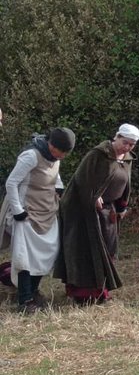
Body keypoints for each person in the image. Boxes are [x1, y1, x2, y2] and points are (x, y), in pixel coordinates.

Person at [55, 123, 139, 304]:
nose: (128, 147)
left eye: (132, 145)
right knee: (85, 251)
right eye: (125, 142)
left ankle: (101, 291)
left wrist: (122, 206)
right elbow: (81, 180)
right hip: (83, 213)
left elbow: (126, 185)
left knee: (107, 250)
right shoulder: (98, 155)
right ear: (117, 137)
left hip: (108, 212)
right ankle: (83, 295)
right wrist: (93, 196)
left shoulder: (126, 159)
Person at [2, 127, 75, 312]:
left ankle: (33, 290)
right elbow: (11, 182)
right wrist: (18, 211)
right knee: (25, 258)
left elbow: (55, 174)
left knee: (48, 253)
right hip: (27, 214)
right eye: (62, 152)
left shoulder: (55, 157)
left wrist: (58, 187)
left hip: (48, 211)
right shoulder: (31, 156)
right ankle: (25, 300)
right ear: (52, 145)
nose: (63, 156)